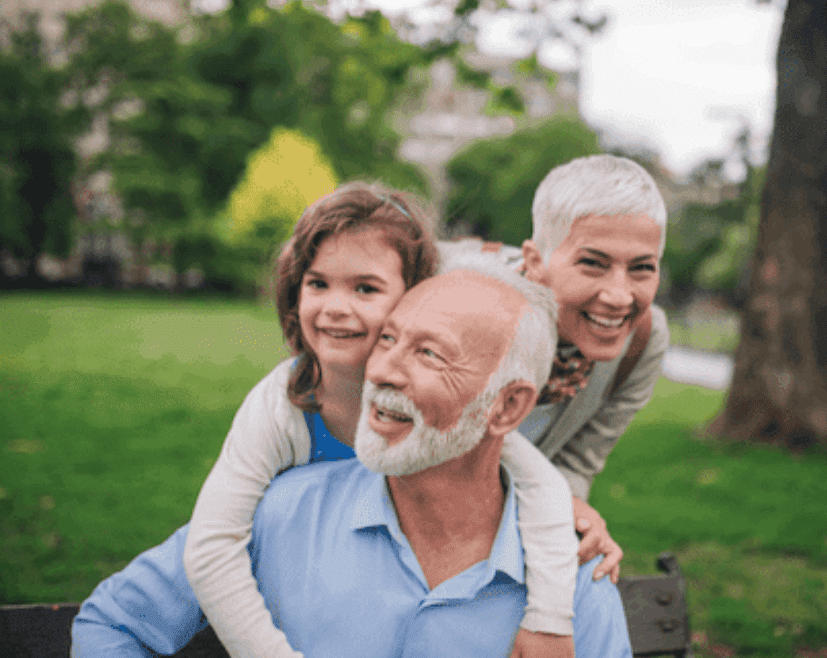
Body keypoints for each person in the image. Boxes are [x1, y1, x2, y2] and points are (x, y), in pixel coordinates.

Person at [71, 266, 632, 658]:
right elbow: (113, 624)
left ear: (507, 407)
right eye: (387, 339)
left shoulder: (577, 577)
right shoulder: (280, 515)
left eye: (429, 353)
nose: (383, 370)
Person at [178, 182, 578, 658]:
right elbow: (211, 546)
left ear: (416, 296)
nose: (335, 307)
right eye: (317, 283)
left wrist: (550, 620)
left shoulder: (444, 415)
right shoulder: (283, 403)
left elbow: (541, 484)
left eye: (365, 288)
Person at [445, 154, 670, 584]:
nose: (620, 297)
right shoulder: (459, 302)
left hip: (501, 524)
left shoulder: (643, 342)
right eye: (593, 263)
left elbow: (576, 461)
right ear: (534, 262)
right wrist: (548, 499)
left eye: (642, 268)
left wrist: (569, 512)